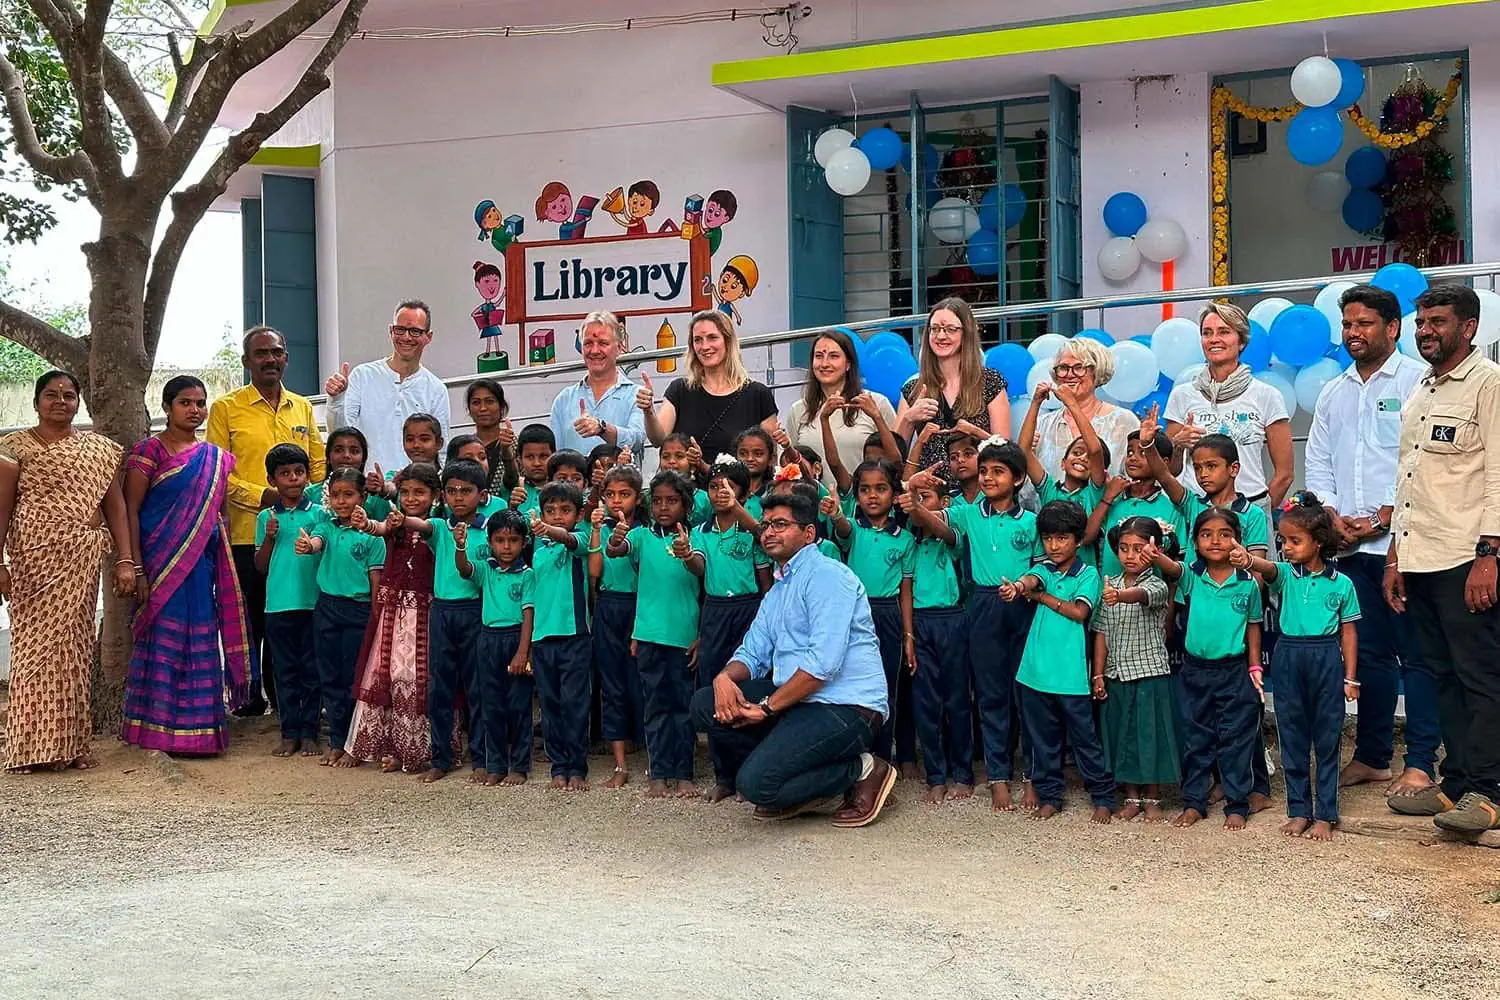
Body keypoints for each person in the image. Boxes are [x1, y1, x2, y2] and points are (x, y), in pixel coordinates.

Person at [689, 488, 896, 828]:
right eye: (766, 524)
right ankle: (795, 779)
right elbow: (752, 652)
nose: (769, 532)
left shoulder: (829, 576)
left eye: (780, 524)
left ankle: (864, 769)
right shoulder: (780, 588)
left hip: (845, 707)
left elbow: (823, 665)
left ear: (809, 533)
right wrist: (723, 678)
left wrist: (767, 707)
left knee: (757, 785)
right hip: (799, 703)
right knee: (705, 704)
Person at [1303, 283, 1437, 797]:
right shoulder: (1335, 390)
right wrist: (1332, 514)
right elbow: (1318, 460)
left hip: (1405, 547)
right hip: (1350, 548)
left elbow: (1423, 460)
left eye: (1364, 323)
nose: (1353, 333)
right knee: (1372, 656)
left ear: (1393, 327)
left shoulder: (1417, 381)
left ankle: (1422, 761)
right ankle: (1375, 756)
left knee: (1417, 656)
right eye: (1348, 324)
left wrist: (1388, 515)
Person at [1385, 284, 1500, 834]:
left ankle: (1491, 789)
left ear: (1469, 328)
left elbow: (1499, 476)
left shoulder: (1489, 384)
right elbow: (1408, 480)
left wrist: (1490, 554)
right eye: (1421, 321)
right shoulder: (1423, 391)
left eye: (1437, 322)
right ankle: (1455, 784)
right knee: (1443, 675)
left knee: (1481, 676)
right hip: (1421, 555)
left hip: (1466, 556)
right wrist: (1394, 557)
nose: (1425, 330)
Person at [0, 370, 133, 773]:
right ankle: (27, 748)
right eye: (52, 395)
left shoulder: (98, 451)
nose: (60, 401)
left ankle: (71, 746)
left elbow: (116, 508)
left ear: (79, 403)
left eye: (69, 395)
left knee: (74, 647)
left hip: (79, 558)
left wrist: (126, 558)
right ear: (37, 401)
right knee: (31, 651)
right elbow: (1, 509)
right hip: (31, 558)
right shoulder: (13, 448)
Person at [121, 375, 253, 756]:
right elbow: (131, 508)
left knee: (199, 639)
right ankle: (156, 731)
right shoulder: (150, 451)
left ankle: (200, 732)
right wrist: (137, 567)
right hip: (160, 565)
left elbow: (219, 516)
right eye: (185, 403)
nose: (194, 410)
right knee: (163, 640)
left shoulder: (214, 458)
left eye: (200, 403)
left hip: (200, 566)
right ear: (166, 407)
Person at [905, 438, 1037, 812]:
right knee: (991, 695)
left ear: (1018, 478)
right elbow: (929, 521)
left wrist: (1025, 585)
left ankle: (1032, 777)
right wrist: (914, 501)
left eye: (998, 472)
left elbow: (1041, 565)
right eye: (984, 472)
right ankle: (998, 777)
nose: (989, 478)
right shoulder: (965, 513)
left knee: (1026, 694)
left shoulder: (1029, 521)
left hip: (1024, 605)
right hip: (982, 604)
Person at [207, 325, 327, 717]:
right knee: (251, 619)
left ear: (286, 358)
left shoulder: (302, 407)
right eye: (261, 354)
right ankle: (248, 698)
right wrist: (265, 497)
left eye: (276, 352)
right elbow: (219, 473)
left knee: (291, 615)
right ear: (246, 362)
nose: (270, 360)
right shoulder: (226, 408)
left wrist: (310, 497)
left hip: (300, 536)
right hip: (247, 535)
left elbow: (318, 463)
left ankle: (285, 703)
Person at [1232, 493, 1361, 842]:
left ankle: (1326, 814)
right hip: (1290, 656)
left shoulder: (1342, 584)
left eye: (1294, 541)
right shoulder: (1287, 575)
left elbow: (1349, 633)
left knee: (1327, 738)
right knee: (1292, 736)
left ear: (1318, 543)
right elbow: (1268, 568)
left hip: (1325, 659)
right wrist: (1247, 560)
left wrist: (1350, 678)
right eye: (1283, 541)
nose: (1286, 547)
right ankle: (1299, 810)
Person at [1153, 508, 1264, 830]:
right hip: (1195, 670)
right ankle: (1193, 803)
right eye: (1206, 535)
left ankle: (1237, 805)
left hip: (1234, 670)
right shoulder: (1191, 574)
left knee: (1235, 740)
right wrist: (1156, 554)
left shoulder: (1248, 584)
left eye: (1225, 534)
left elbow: (1254, 626)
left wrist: (1255, 664)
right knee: (1195, 738)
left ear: (1238, 541)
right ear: (1195, 541)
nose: (1215, 541)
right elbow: (1172, 568)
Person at [1003, 500, 1114, 823]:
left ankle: (1103, 797)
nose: (1054, 545)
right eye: (1049, 538)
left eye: (1062, 538)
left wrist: (1039, 597)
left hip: (1071, 676)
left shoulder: (1088, 574)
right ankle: (1050, 797)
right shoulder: (1043, 570)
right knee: (1042, 741)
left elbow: (1079, 613)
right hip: (1034, 672)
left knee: (1085, 740)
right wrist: (1018, 588)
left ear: (1078, 540)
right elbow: (1029, 580)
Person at [607, 470, 702, 798]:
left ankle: (684, 773)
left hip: (683, 639)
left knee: (683, 708)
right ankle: (658, 772)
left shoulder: (696, 536)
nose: (664, 507)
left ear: (686, 505)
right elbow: (616, 550)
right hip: (648, 637)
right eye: (658, 501)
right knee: (656, 708)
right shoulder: (642, 536)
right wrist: (616, 538)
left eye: (672, 501)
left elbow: (700, 569)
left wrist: (687, 552)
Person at [344, 463, 443, 774]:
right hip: (393, 610)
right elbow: (382, 528)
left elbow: (419, 528)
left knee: (414, 677)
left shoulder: (438, 525)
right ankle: (379, 746)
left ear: (435, 496)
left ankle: (417, 750)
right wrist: (365, 524)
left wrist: (400, 521)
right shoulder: (395, 521)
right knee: (382, 672)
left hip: (423, 614)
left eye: (420, 493)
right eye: (406, 492)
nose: (411, 498)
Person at [826, 458, 917, 775]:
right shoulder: (853, 529)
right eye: (865, 489)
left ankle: (882, 761)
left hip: (888, 615)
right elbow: (842, 527)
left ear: (894, 495)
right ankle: (856, 757)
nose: (872, 496)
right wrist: (837, 513)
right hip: (854, 614)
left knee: (887, 688)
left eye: (881, 489)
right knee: (852, 685)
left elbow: (906, 590)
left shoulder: (905, 539)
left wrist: (908, 636)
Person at [1162, 303, 1294, 516]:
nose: (1214, 339)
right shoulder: (1182, 395)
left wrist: (1257, 516)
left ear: (1241, 341)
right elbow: (1169, 471)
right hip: (1195, 511)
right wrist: (1177, 445)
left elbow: (1285, 474)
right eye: (1207, 333)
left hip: (1249, 508)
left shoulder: (1266, 395)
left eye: (1224, 332)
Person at [294, 468, 385, 767]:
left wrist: (375, 617)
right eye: (336, 495)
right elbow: (317, 541)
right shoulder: (327, 526)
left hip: (358, 610)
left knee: (353, 679)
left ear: (363, 497)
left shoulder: (373, 536)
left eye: (349, 495)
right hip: (328, 608)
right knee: (329, 677)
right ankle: (336, 740)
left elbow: (375, 581)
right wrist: (309, 546)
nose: (341, 501)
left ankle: (354, 744)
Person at [1090, 517, 1180, 822]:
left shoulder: (1155, 584)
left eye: (1139, 549)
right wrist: (1098, 673)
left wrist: (1121, 597)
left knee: (1148, 735)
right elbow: (1101, 633)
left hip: (1149, 672)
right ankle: (1131, 796)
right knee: (1123, 735)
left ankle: (1152, 796)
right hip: (1116, 674)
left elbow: (1141, 596)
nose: (1129, 555)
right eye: (1124, 548)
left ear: (1154, 550)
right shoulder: (1108, 585)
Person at [895, 475, 971, 804]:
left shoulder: (951, 536)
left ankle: (963, 774)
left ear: (944, 503)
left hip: (951, 620)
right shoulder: (909, 542)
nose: (919, 504)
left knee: (957, 701)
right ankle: (936, 776)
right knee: (926, 703)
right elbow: (906, 593)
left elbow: (943, 530)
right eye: (915, 498)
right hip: (920, 624)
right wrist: (909, 635)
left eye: (926, 497)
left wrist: (916, 502)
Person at [457, 508, 536, 787]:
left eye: (513, 540)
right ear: (490, 542)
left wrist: (523, 652)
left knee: (518, 706)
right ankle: (495, 764)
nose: (506, 547)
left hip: (515, 639)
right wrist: (460, 545)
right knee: (490, 706)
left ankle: (520, 765)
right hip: (487, 639)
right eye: (500, 540)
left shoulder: (527, 575)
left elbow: (528, 615)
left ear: (523, 543)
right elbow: (464, 569)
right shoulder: (487, 570)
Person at [323, 300, 452, 472]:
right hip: (367, 487)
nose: (406, 337)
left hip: (412, 492)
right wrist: (336, 399)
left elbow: (441, 452)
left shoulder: (436, 389)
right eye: (400, 330)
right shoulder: (363, 375)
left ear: (428, 336)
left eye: (415, 331)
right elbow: (341, 434)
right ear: (391, 331)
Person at [256, 444, 327, 758]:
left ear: (307, 476)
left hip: (314, 603)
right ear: (273, 480)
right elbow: (260, 565)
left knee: (313, 670)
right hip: (278, 605)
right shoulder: (266, 518)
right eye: (285, 474)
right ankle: (289, 732)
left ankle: (310, 733)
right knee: (284, 671)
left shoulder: (321, 513)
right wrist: (270, 536)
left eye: (298, 472)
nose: (293, 479)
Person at [639, 309, 779, 465]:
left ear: (728, 341)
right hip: (688, 487)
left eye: (712, 338)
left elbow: (771, 457)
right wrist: (648, 410)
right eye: (698, 340)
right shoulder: (680, 389)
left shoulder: (758, 394)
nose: (704, 346)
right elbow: (659, 439)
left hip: (740, 487)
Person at [894, 297, 1010, 477]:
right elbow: (893, 458)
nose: (941, 336)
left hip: (979, 493)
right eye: (935, 329)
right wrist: (909, 419)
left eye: (950, 329)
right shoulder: (913, 389)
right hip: (930, 494)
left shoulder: (990, 382)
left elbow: (1006, 450)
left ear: (966, 333)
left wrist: (975, 432)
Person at [528, 482, 594, 791]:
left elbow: (569, 538)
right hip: (542, 638)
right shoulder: (537, 549)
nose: (557, 516)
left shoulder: (579, 539)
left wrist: (547, 529)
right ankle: (558, 766)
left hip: (575, 635)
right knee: (550, 705)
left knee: (575, 704)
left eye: (565, 511)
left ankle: (577, 766)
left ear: (579, 513)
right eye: (550, 511)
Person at [588, 463, 648, 789]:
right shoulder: (599, 528)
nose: (616, 500)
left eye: (624, 494)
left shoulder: (645, 534)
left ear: (638, 498)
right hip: (608, 606)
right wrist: (598, 531)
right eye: (610, 494)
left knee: (640, 682)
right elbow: (594, 574)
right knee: (611, 684)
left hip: (639, 607)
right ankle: (620, 764)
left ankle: (654, 756)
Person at [784, 329, 900, 492]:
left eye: (833, 356)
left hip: (863, 505)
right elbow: (790, 464)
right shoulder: (798, 410)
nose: (824, 364)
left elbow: (895, 460)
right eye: (819, 356)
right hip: (811, 505)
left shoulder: (876, 403)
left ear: (848, 364)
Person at [1030, 338, 1139, 479]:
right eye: (1063, 368)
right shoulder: (1042, 424)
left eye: (1078, 367)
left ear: (1096, 372)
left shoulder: (1123, 420)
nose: (1069, 374)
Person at [548, 311, 648, 456]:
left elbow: (637, 441)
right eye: (588, 343)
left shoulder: (636, 395)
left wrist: (602, 429)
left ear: (619, 348)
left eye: (603, 343)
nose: (595, 351)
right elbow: (555, 456)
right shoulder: (564, 399)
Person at [464, 379, 519, 498]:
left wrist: (506, 450)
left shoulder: (516, 444)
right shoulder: (464, 447)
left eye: (489, 402)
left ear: (502, 407)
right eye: (476, 402)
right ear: (469, 409)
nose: (483, 408)